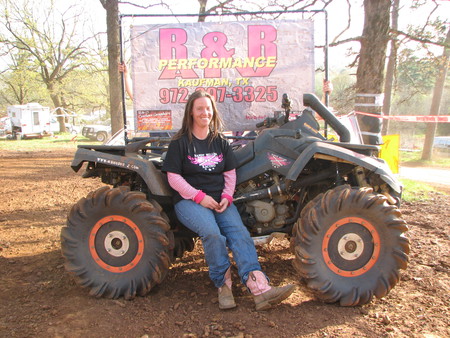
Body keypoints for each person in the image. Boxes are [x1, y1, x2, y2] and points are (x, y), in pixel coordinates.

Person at [161, 90, 295, 311]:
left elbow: (230, 173)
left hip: (220, 201)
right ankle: (223, 286)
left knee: (240, 234)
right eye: (200, 108)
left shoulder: (219, 141)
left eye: (208, 108)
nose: (205, 112)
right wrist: (198, 197)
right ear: (191, 113)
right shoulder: (180, 143)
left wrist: (226, 196)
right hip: (189, 201)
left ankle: (260, 290)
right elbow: (173, 177)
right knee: (213, 234)